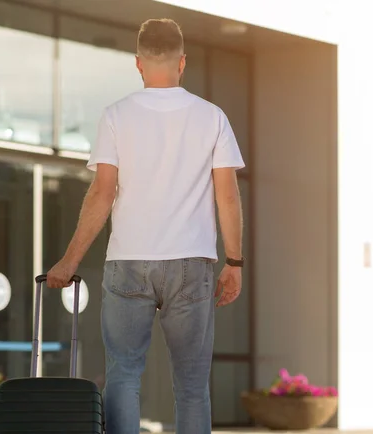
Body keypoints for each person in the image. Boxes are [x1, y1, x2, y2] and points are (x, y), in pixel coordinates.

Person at [46, 18, 245, 434]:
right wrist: (234, 261)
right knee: (191, 385)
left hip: (128, 263)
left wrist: (67, 262)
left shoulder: (117, 115)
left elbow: (101, 194)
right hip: (192, 264)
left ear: (138, 64)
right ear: (182, 62)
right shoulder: (212, 117)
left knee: (123, 373)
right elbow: (227, 195)